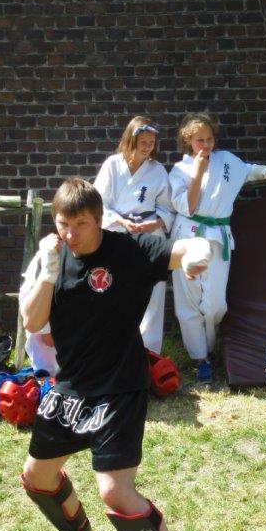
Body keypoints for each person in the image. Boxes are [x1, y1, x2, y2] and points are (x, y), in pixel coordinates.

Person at [19, 178, 210, 531]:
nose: (71, 234)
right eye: (63, 224)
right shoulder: (52, 254)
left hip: (120, 385)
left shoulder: (129, 250)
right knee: (37, 476)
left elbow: (185, 248)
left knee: (116, 492)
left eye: (80, 225)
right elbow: (32, 320)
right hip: (71, 386)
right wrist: (47, 271)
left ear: (99, 219)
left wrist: (195, 256)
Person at [169, 111, 266, 385]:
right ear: (188, 140)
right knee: (189, 301)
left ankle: (210, 345)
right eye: (200, 140)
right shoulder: (180, 171)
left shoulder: (226, 161)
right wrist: (197, 173)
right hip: (188, 236)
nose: (206, 145)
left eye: (209, 139)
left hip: (218, 236)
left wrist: (264, 171)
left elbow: (247, 170)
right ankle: (201, 359)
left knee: (216, 303)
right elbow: (188, 207)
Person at [93, 115, 174, 354]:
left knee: (153, 294)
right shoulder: (112, 165)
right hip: (117, 233)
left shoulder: (157, 170)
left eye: (151, 142)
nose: (148, 147)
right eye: (143, 142)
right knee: (116, 292)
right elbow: (98, 202)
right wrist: (120, 220)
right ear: (131, 140)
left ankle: (150, 354)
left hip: (150, 235)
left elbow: (168, 208)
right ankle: (116, 351)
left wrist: (154, 223)